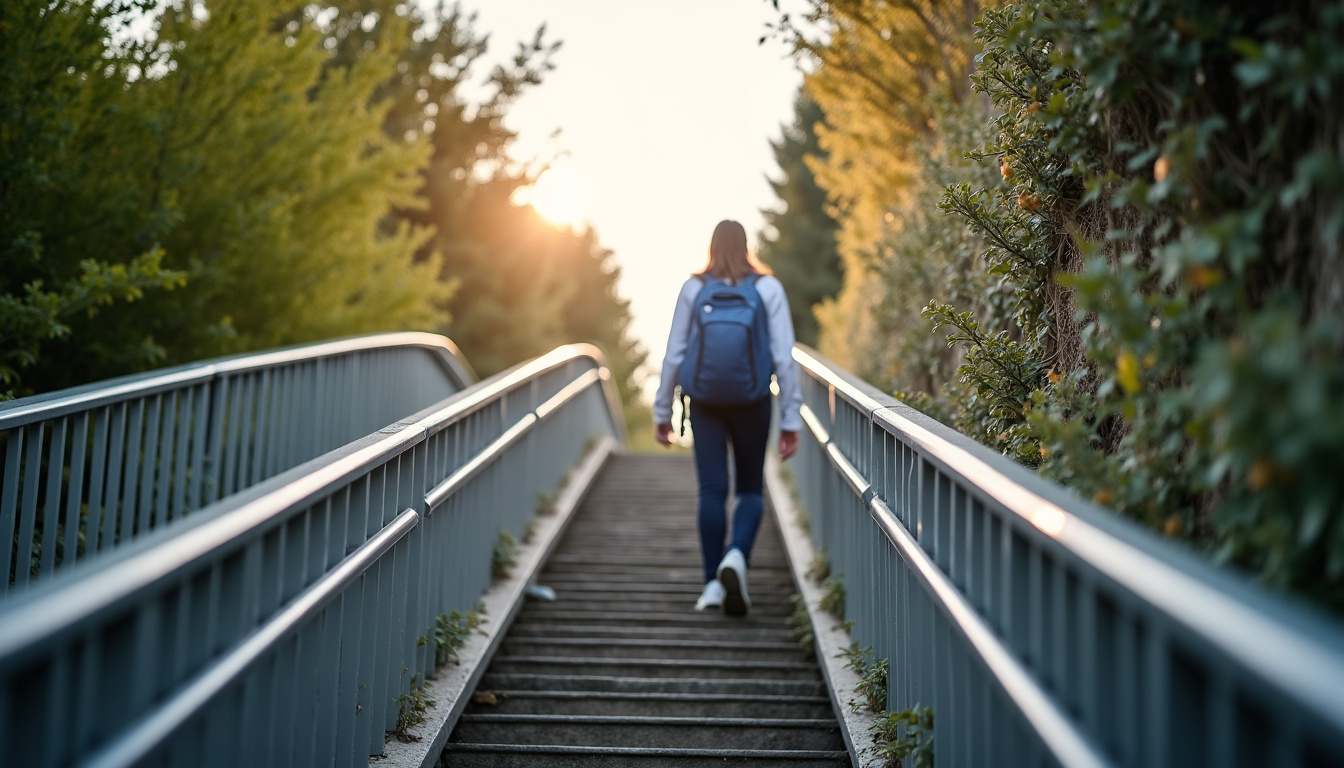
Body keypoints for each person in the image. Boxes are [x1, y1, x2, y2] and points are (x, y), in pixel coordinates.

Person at [653, 219, 803, 616]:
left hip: (704, 402)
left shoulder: (694, 288)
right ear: (746, 246)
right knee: (750, 489)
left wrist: (662, 410)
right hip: (753, 400)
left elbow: (674, 354)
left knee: (712, 490)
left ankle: (710, 586)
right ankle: (735, 555)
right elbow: (784, 359)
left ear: (712, 246)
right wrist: (791, 419)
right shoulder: (768, 288)